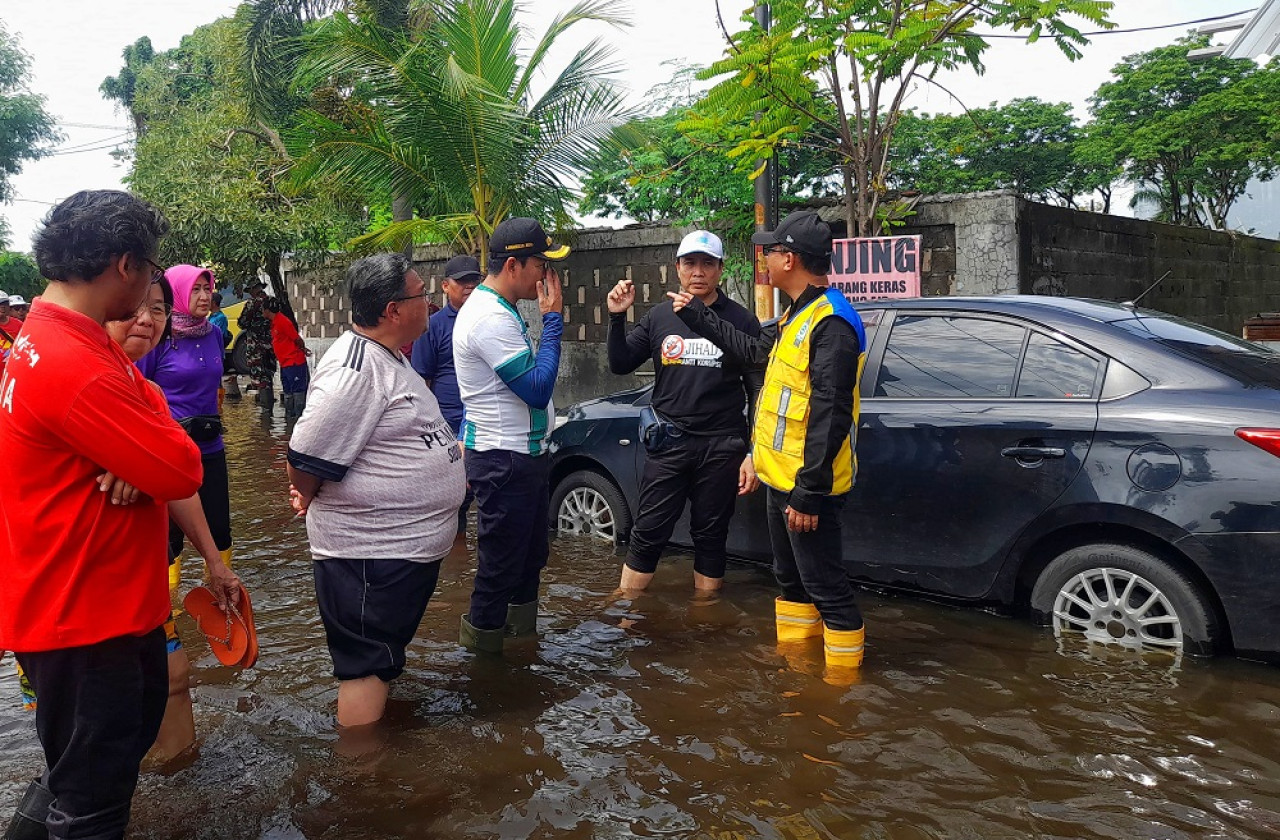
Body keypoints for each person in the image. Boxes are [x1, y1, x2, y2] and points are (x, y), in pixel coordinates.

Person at [0, 190, 203, 840]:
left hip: (95, 605)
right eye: (148, 273)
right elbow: (181, 468)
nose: (148, 295)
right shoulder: (76, 365)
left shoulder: (45, 340)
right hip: (84, 620)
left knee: (80, 777)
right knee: (91, 807)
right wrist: (140, 448)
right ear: (125, 265)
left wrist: (131, 447)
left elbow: (151, 436)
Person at [668, 210, 867, 677]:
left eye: (772, 251)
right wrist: (697, 315)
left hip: (806, 486)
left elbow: (831, 413)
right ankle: (798, 672)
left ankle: (840, 693)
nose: (766, 258)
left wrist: (810, 491)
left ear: (790, 259)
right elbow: (755, 353)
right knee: (791, 583)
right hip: (780, 477)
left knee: (826, 587)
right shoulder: (796, 314)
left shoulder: (832, 322)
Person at [286, 253, 466, 727]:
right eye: (420, 296)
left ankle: (375, 744)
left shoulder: (389, 357)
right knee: (365, 666)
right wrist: (305, 493)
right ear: (393, 310)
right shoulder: (354, 370)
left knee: (381, 659)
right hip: (368, 555)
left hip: (396, 550)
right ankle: (360, 776)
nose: (429, 303)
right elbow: (305, 456)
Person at [607, 231, 763, 596]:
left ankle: (705, 616)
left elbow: (758, 388)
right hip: (669, 442)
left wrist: (753, 453)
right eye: (690, 263)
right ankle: (624, 611)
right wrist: (617, 318)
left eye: (708, 263)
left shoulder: (741, 321)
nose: (698, 272)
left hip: (722, 445)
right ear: (677, 268)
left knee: (711, 535)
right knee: (648, 530)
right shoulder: (660, 316)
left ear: (720, 270)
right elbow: (619, 363)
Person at [453, 218, 566, 653]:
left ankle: (521, 650)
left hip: (522, 456)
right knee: (499, 569)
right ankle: (484, 671)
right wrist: (553, 321)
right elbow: (536, 391)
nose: (546, 275)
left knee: (529, 561)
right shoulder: (486, 318)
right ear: (515, 265)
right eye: (541, 264)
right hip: (504, 460)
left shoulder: (501, 309)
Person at [138, 264, 235, 590]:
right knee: (170, 538)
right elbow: (140, 390)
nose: (205, 296)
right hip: (169, 450)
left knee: (220, 529)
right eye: (195, 289)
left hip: (210, 446)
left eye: (207, 289)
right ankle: (170, 616)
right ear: (177, 293)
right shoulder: (158, 337)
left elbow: (215, 387)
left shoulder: (215, 334)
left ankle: (224, 604)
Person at [411, 255, 481, 533]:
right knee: (454, 504)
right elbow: (420, 382)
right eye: (462, 281)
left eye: (474, 280)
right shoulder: (434, 326)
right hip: (449, 428)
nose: (469, 287)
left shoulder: (492, 317)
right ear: (445, 286)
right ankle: (456, 560)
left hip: (486, 425)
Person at [265, 296, 311, 419]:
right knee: (288, 391)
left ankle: (298, 419)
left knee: (298, 391)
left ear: (267, 310)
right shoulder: (274, 323)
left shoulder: (283, 321)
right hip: (285, 363)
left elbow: (297, 339)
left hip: (294, 362)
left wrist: (303, 349)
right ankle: (289, 419)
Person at [237, 281, 277, 407]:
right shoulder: (272, 301)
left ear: (254, 289)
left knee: (260, 377)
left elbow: (242, 323)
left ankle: (265, 411)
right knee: (268, 375)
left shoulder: (252, 303)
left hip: (256, 346)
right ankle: (268, 407)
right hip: (272, 345)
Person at [0, 291, 22, 371]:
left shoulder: (19, 324)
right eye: (0, 304)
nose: (2, 306)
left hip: (13, 370)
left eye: (5, 303)